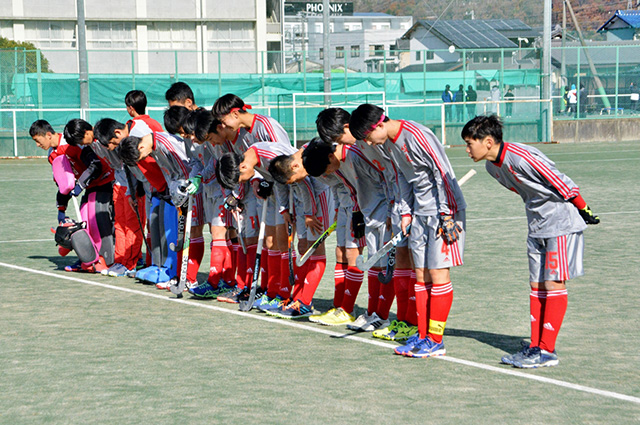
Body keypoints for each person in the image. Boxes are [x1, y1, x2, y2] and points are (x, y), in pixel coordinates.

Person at [462, 114, 600, 368]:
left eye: (470, 143)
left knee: (553, 283)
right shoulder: (493, 168)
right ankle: (536, 345)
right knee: (536, 285)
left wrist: (583, 208)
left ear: (488, 142)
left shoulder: (521, 157)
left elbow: (560, 181)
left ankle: (547, 352)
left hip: (561, 223)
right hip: (536, 224)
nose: (467, 149)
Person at [350, 104, 467, 358]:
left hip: (442, 214)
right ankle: (423, 335)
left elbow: (441, 172)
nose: (369, 144)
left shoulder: (415, 134)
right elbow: (402, 178)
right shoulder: (388, 144)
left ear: (379, 125)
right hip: (419, 214)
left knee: (437, 275)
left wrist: (447, 214)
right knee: (421, 275)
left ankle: (436, 340)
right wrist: (405, 212)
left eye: (369, 137)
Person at [60, 119, 116, 273]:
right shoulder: (89, 144)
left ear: (86, 133)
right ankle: (90, 258)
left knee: (103, 222)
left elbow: (96, 166)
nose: (81, 144)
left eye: (79, 141)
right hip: (100, 184)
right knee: (89, 221)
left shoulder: (102, 137)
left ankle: (108, 259)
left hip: (110, 183)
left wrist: (80, 185)